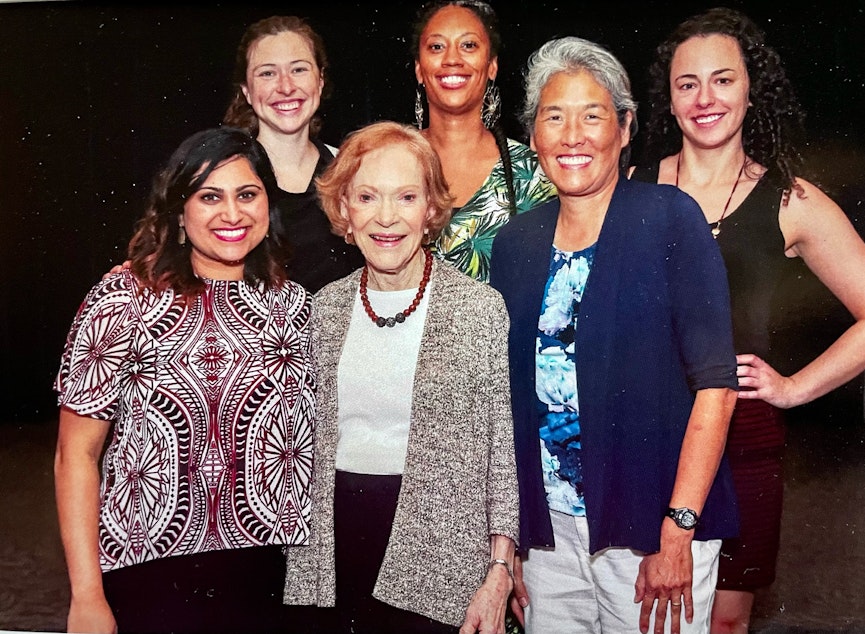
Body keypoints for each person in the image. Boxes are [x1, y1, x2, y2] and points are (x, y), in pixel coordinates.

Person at [632, 8, 865, 633]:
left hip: (743, 441)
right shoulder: (630, 189)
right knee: (647, 615)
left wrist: (794, 387)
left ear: (750, 90)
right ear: (668, 101)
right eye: (687, 84)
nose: (705, 98)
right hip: (646, 436)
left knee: (724, 623)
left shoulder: (793, 200)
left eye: (723, 80)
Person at [490, 36, 740, 634]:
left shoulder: (670, 219)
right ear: (534, 136)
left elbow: (716, 388)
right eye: (554, 116)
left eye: (592, 114)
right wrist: (512, 547)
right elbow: (504, 402)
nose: (572, 135)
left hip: (651, 530)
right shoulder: (515, 244)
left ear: (625, 127)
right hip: (548, 537)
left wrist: (677, 532)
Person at [53, 127, 317, 634]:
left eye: (247, 194)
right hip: (151, 575)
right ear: (179, 211)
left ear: (269, 204)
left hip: (272, 578)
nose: (232, 214)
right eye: (209, 197)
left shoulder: (295, 308)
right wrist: (86, 595)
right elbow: (75, 455)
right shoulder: (124, 298)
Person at [283, 120, 519, 634]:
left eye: (406, 197)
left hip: (439, 559)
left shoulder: (477, 309)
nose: (386, 218)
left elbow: (501, 452)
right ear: (344, 210)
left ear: (431, 209)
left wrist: (499, 570)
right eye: (367, 197)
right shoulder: (322, 309)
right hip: (332, 553)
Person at [411, 0, 556, 282]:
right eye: (436, 47)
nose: (452, 58)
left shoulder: (533, 174)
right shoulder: (386, 164)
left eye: (469, 46)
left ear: (492, 66)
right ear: (419, 69)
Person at [224, 14, 365, 292]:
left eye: (299, 69)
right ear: (246, 91)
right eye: (267, 73)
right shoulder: (221, 178)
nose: (286, 87)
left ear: (320, 80)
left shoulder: (353, 171)